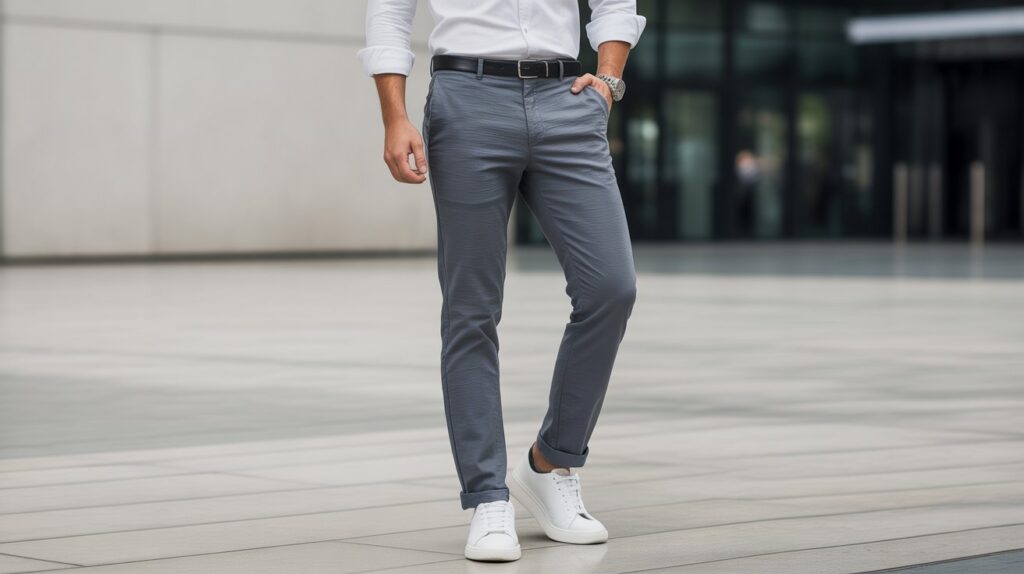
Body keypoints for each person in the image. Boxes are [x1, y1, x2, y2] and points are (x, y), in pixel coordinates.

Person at [359, 0, 645, 562]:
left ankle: (551, 461)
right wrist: (394, 116)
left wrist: (609, 80)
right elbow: (390, 13)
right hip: (467, 98)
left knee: (611, 287)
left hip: (568, 99)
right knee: (471, 310)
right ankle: (488, 497)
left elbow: (615, 4)